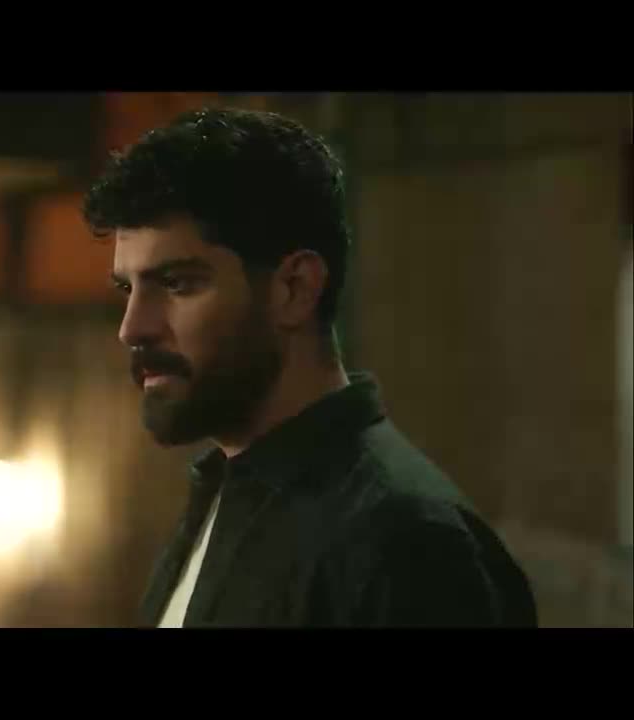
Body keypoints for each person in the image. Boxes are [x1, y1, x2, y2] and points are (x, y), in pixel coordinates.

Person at [81, 106, 538, 627]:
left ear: (295, 289)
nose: (132, 328)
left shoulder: (407, 546)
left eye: (177, 283)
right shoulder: (223, 493)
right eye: (128, 288)